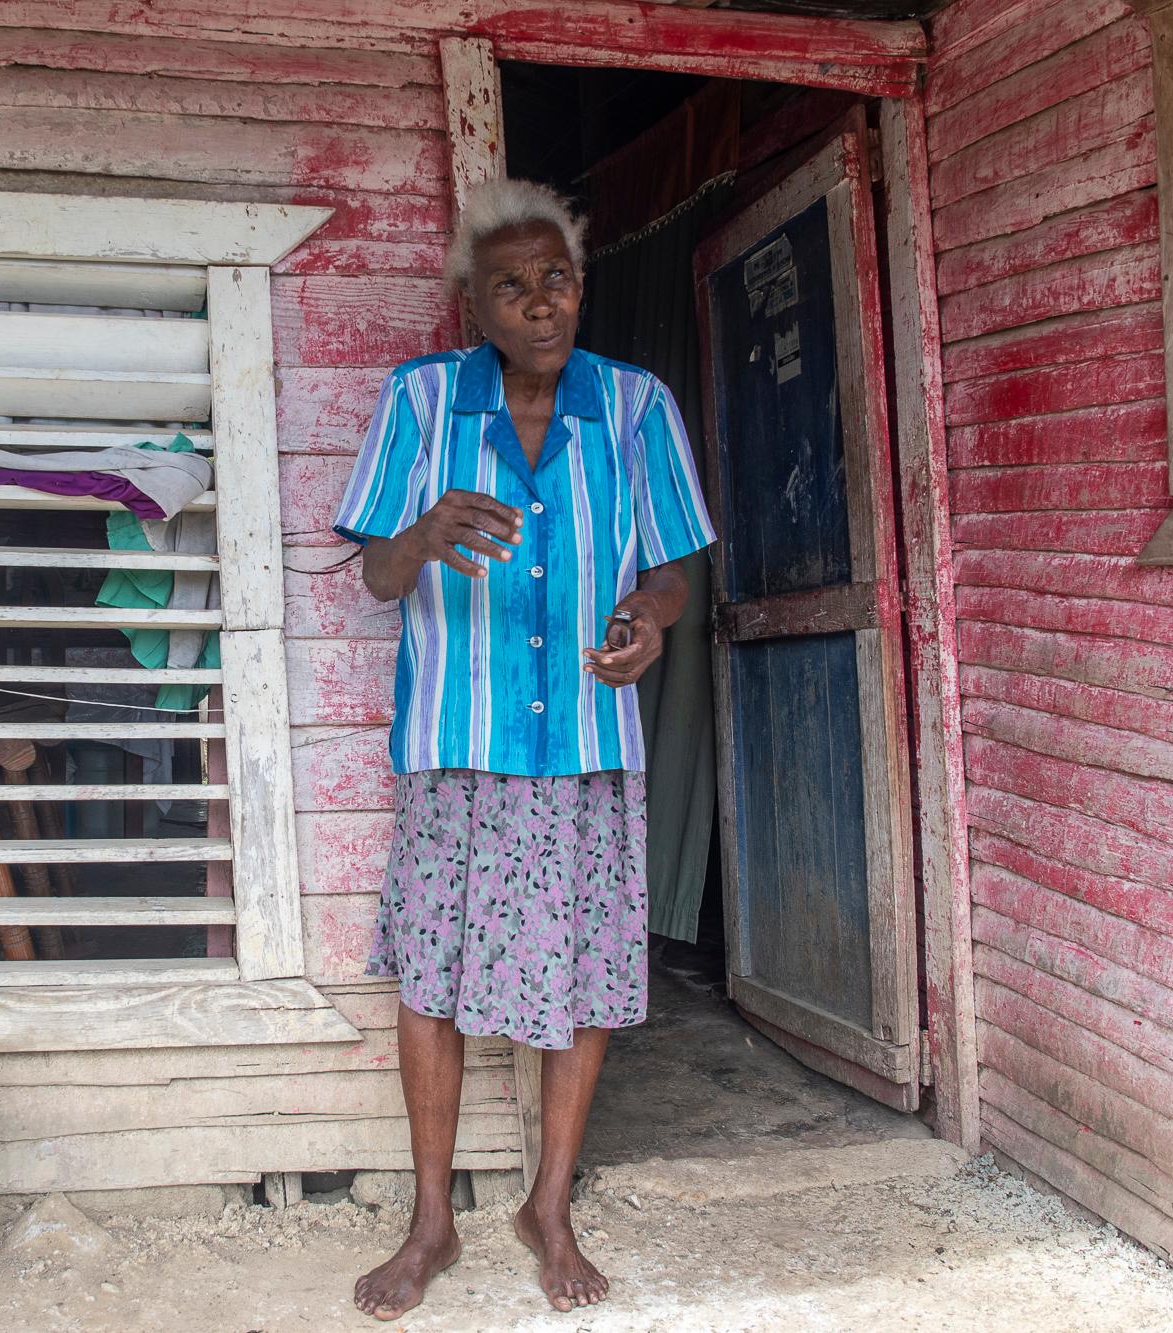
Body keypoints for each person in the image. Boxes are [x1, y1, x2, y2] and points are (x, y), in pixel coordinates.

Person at [332, 177, 716, 1319]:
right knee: (432, 980)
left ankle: (547, 1204)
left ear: (578, 285)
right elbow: (375, 576)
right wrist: (421, 533)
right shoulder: (420, 401)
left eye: (556, 280)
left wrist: (651, 620)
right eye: (512, 287)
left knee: (590, 970)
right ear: (473, 306)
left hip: (588, 742)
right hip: (458, 739)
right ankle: (431, 1218)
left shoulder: (636, 406)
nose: (541, 304)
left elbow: (672, 571)